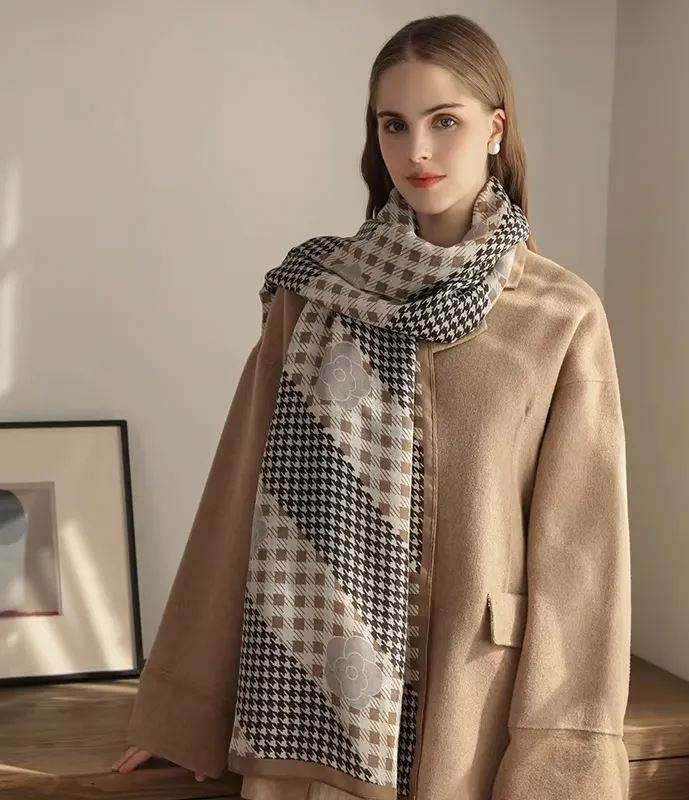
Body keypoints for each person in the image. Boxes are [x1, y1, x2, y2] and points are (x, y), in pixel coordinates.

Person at [112, 13, 631, 800]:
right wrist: (183, 710)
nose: (417, 150)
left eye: (444, 121)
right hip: (307, 696)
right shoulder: (313, 294)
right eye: (395, 124)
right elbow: (236, 501)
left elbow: (582, 561)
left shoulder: (560, 314)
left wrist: (564, 762)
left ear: (495, 129)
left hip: (471, 704)